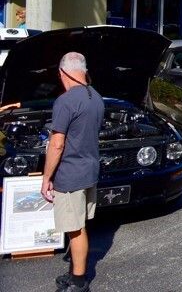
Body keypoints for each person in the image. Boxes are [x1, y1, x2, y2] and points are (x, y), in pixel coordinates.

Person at [41, 52, 104, 292]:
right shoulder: (96, 97)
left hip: (70, 175)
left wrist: (46, 178)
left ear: (62, 73)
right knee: (79, 225)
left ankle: (78, 281)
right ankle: (75, 273)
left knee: (75, 229)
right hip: (90, 171)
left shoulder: (65, 101)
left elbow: (57, 144)